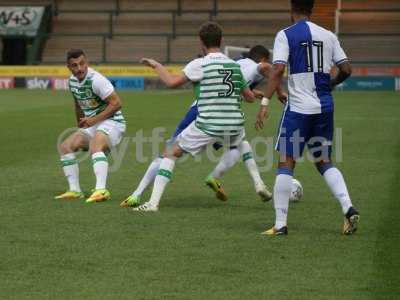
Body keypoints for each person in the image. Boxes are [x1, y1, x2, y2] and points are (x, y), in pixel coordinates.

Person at [120, 45, 287, 208]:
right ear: (263, 58)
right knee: (239, 146)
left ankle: (137, 194)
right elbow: (267, 69)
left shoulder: (236, 63)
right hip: (216, 113)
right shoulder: (251, 66)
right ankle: (253, 183)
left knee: (170, 153)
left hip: (209, 112)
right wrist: (278, 92)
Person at [255, 0, 359, 235]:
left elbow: (278, 69)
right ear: (311, 10)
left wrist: (264, 102)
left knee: (286, 162)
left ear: (291, 10)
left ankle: (280, 224)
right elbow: (347, 69)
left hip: (299, 109)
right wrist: (331, 85)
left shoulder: (285, 34)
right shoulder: (328, 35)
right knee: (324, 161)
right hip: (324, 107)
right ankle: (348, 207)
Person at [131, 21, 259, 212]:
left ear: (201, 42)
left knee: (170, 153)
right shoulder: (234, 65)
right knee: (238, 146)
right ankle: (257, 183)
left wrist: (156, 66)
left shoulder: (200, 64)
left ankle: (152, 203)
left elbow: (172, 82)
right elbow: (249, 98)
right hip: (234, 125)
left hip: (208, 123)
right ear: (221, 40)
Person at [55, 49, 126, 203]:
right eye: (74, 65)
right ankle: (75, 190)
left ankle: (101, 190)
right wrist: (80, 125)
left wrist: (93, 120)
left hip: (113, 122)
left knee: (95, 144)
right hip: (93, 124)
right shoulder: (72, 81)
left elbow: (117, 104)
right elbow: (77, 103)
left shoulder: (96, 80)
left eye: (82, 63)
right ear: (69, 67)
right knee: (66, 146)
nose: (79, 68)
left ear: (86, 62)